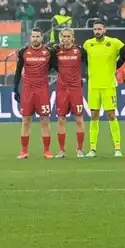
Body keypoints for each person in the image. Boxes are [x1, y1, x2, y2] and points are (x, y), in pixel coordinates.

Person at [82, 20, 124, 157]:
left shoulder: (114, 42)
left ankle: (117, 148)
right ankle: (92, 149)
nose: (97, 31)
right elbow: (83, 60)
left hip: (108, 86)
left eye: (100, 28)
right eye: (95, 29)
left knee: (112, 115)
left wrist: (117, 66)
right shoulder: (88, 44)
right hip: (93, 86)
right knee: (94, 116)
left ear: (104, 30)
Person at [13, 29, 54, 159]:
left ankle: (47, 151)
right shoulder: (24, 52)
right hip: (28, 90)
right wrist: (15, 89)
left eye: (37, 36)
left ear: (42, 38)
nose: (35, 39)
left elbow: (56, 67)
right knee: (26, 120)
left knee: (45, 120)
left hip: (42, 90)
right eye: (33, 36)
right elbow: (18, 71)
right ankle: (24, 151)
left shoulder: (48, 52)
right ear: (30, 38)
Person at [51, 28, 86, 158]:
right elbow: (51, 65)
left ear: (73, 38)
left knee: (79, 119)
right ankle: (61, 150)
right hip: (62, 89)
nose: (66, 39)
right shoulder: (57, 51)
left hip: (75, 89)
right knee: (61, 119)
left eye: (68, 36)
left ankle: (80, 149)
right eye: (63, 36)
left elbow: (88, 63)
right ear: (61, 37)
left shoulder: (80, 51)